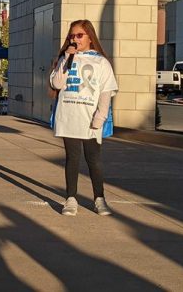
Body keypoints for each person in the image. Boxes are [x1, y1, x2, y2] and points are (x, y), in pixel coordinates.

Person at [49, 19, 118, 217]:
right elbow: (56, 83)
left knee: (93, 159)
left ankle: (99, 199)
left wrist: (100, 117)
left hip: (90, 118)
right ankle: (71, 198)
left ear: (89, 37)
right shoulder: (66, 58)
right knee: (72, 158)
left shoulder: (101, 62)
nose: (75, 39)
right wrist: (65, 59)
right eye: (72, 35)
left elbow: (106, 92)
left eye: (79, 35)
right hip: (68, 116)